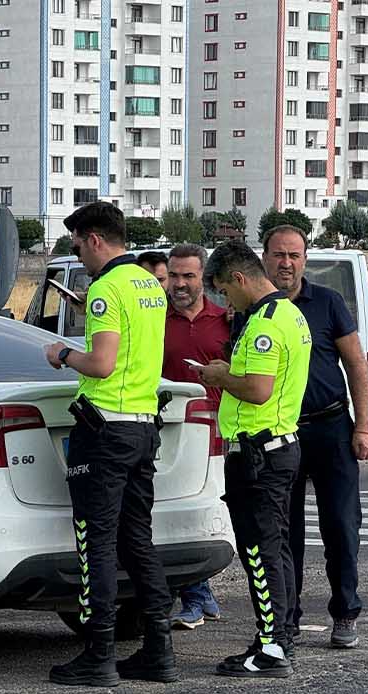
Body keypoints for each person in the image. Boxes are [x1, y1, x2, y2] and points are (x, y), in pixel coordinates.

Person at [43, 202, 176, 687]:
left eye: (77, 245)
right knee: (137, 538)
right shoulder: (149, 284)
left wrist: (61, 352)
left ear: (95, 238)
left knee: (95, 542)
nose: (77, 254)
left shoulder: (105, 289)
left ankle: (98, 653)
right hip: (143, 426)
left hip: (104, 430)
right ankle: (158, 649)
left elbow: (101, 364)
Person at [192, 241, 311, 679]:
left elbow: (258, 389)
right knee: (273, 549)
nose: (225, 300)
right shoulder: (289, 314)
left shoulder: (264, 323)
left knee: (260, 552)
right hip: (277, 447)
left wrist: (221, 376)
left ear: (240, 279)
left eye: (224, 290)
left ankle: (272, 647)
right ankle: (276, 640)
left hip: (260, 452)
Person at [262, 226, 368, 650]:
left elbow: (356, 365)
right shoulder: (256, 310)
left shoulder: (327, 303)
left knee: (342, 526)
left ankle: (345, 611)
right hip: (280, 432)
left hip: (331, 429)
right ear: (265, 258)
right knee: (284, 532)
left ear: (305, 259)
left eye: (294, 255)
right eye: (278, 255)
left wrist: (363, 426)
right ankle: (286, 619)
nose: (286, 263)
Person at [159, 243, 231, 630]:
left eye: (188, 275)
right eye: (174, 275)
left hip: (219, 435)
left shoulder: (227, 320)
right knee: (179, 515)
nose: (180, 284)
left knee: (211, 515)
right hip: (171, 434)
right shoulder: (156, 320)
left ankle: (200, 597)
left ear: (204, 276)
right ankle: (197, 597)